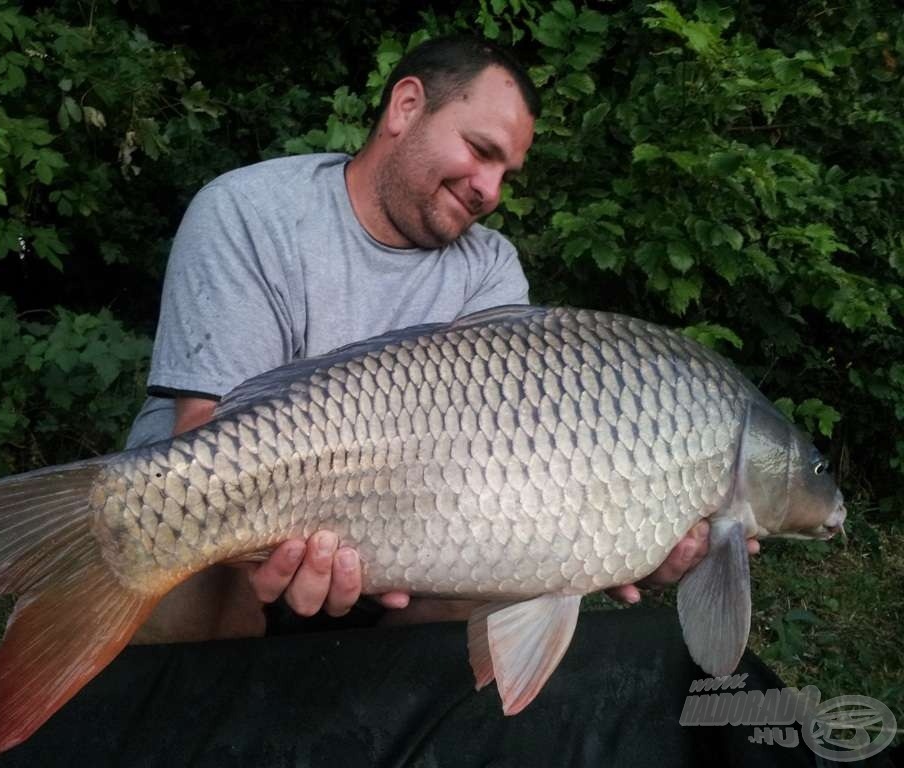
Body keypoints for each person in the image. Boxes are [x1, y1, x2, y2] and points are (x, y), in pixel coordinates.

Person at [124, 35, 740, 644]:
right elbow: (203, 429)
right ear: (406, 106)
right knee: (185, 561)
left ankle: (381, 726)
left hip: (402, 540)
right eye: (480, 150)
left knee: (496, 584)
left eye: (506, 173)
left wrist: (612, 545)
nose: (490, 190)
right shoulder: (249, 211)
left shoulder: (491, 267)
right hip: (244, 518)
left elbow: (512, 467)